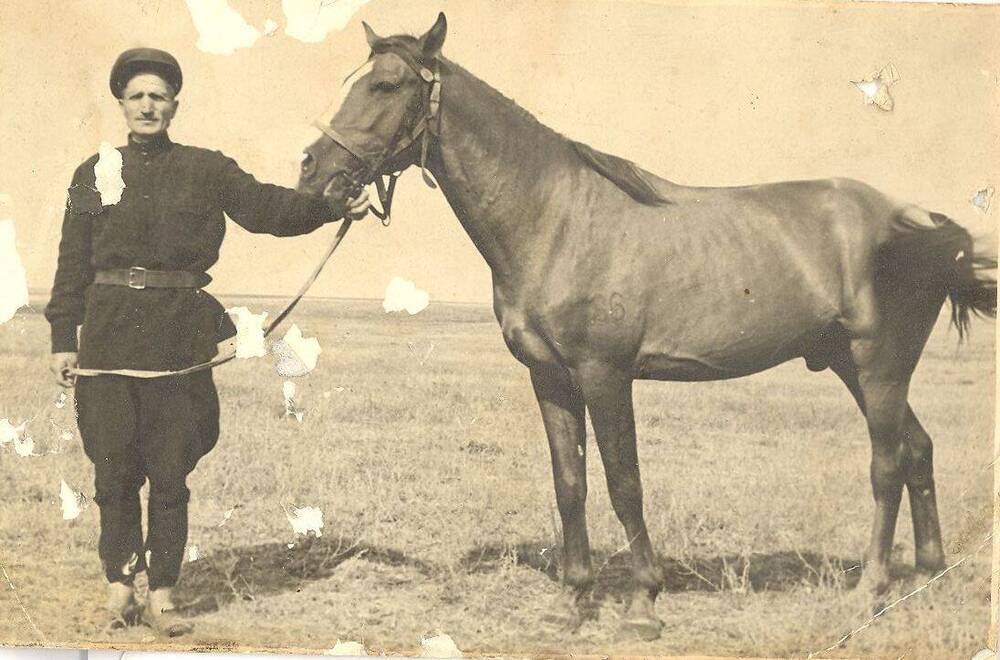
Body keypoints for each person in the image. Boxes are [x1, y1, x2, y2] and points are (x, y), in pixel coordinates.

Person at [44, 48, 369, 636]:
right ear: (121, 102)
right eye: (137, 95)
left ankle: (161, 597)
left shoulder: (206, 168)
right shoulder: (92, 172)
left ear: (174, 104)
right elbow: (72, 262)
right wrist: (63, 337)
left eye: (159, 95)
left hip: (178, 340)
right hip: (108, 341)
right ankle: (120, 589)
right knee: (112, 475)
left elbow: (269, 208)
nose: (148, 105)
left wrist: (327, 207)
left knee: (170, 477)